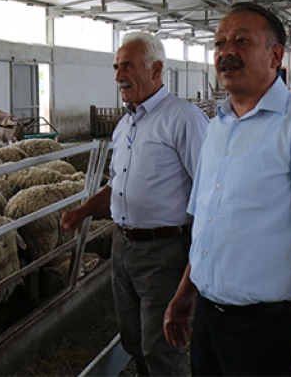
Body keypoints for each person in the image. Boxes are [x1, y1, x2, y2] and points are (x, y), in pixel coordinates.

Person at [163, 2, 291, 377]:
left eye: (242, 41)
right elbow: (207, 225)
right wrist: (185, 294)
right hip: (210, 318)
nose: (226, 51)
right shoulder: (218, 126)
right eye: (219, 43)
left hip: (269, 328)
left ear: (275, 55)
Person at [60, 32, 209, 376]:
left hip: (164, 249)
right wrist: (84, 211)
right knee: (133, 338)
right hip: (123, 246)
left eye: (128, 65)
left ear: (157, 69)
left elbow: (208, 193)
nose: (118, 75)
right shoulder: (126, 123)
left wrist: (195, 263)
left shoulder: (183, 119)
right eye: (116, 66)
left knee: (160, 345)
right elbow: (118, 183)